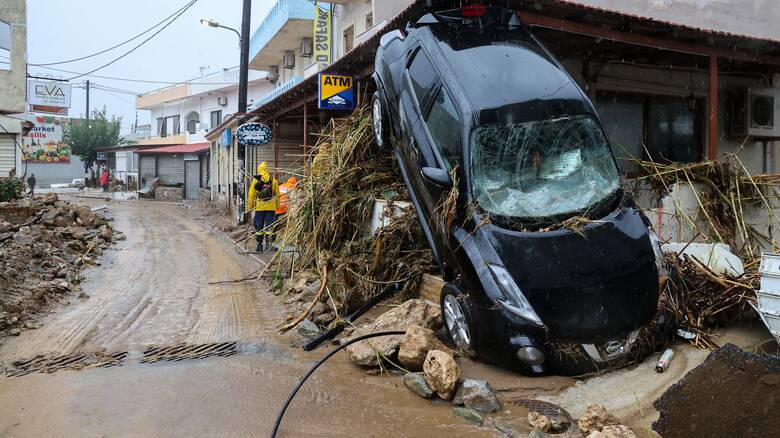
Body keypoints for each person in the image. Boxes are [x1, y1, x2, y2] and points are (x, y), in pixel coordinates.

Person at [246, 162, 279, 252]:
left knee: (259, 227)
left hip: (260, 207)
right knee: (270, 226)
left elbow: (251, 194)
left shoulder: (256, 181)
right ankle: (268, 245)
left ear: (259, 169)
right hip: (271, 207)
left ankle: (259, 246)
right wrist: (277, 207)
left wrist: (250, 206)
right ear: (267, 169)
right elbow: (277, 195)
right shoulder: (274, 181)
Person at [273, 176, 298, 244]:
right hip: (284, 208)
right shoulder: (292, 187)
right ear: (295, 182)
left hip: (276, 207)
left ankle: (272, 238)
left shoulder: (281, 186)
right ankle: (285, 238)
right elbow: (294, 199)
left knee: (274, 224)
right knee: (286, 224)